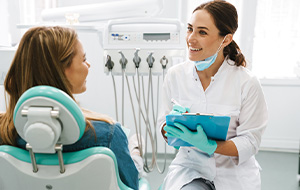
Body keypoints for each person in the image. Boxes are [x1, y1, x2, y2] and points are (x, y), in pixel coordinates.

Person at [0, 26, 141, 190]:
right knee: (135, 149)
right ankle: (136, 150)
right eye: (83, 59)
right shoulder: (108, 135)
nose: (88, 65)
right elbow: (132, 185)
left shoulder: (4, 131)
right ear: (59, 70)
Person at [157, 1, 268, 190]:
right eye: (190, 29)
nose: (191, 38)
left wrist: (211, 146)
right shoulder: (175, 76)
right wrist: (171, 128)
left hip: (233, 174)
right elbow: (162, 125)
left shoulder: (247, 83)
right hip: (190, 168)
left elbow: (250, 142)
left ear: (225, 40)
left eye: (202, 32)